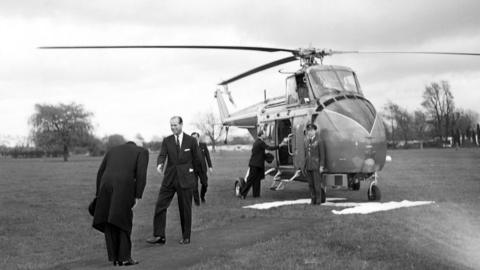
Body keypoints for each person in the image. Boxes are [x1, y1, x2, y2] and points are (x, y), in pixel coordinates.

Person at [92, 139, 149, 266]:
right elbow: (141, 174)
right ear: (138, 144)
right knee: (124, 221)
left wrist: (98, 193)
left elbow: (100, 172)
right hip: (123, 187)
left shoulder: (112, 150)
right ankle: (125, 258)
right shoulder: (142, 151)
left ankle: (114, 258)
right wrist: (138, 195)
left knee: (110, 221)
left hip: (105, 186)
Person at [147, 116, 200, 245]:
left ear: (181, 124)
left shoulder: (191, 141)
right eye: (171, 125)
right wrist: (160, 164)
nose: (173, 127)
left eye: (175, 125)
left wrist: (196, 178)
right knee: (160, 205)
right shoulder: (167, 140)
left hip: (186, 179)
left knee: (185, 209)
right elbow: (162, 154)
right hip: (169, 179)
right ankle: (159, 236)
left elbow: (197, 160)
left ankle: (186, 236)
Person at [239, 129, 285, 198]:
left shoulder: (256, 142)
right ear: (261, 135)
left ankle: (256, 195)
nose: (265, 135)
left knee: (257, 180)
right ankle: (242, 194)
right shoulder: (260, 142)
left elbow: (259, 153)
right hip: (255, 164)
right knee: (250, 180)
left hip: (256, 164)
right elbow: (269, 148)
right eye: (264, 134)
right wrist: (279, 146)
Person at [304, 123, 326, 205]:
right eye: (308, 130)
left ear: (315, 131)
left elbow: (322, 155)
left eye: (312, 130)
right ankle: (313, 199)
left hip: (316, 166)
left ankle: (318, 200)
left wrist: (321, 166)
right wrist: (304, 165)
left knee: (317, 185)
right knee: (310, 184)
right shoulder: (306, 140)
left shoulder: (319, 141)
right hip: (309, 165)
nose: (310, 132)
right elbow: (306, 154)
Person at [191, 132, 213, 205]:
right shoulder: (189, 146)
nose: (194, 139)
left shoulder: (203, 145)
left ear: (198, 137)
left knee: (205, 184)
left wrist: (210, 167)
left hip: (202, 168)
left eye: (195, 137)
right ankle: (197, 203)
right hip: (193, 169)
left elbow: (207, 156)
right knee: (194, 186)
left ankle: (202, 196)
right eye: (192, 137)